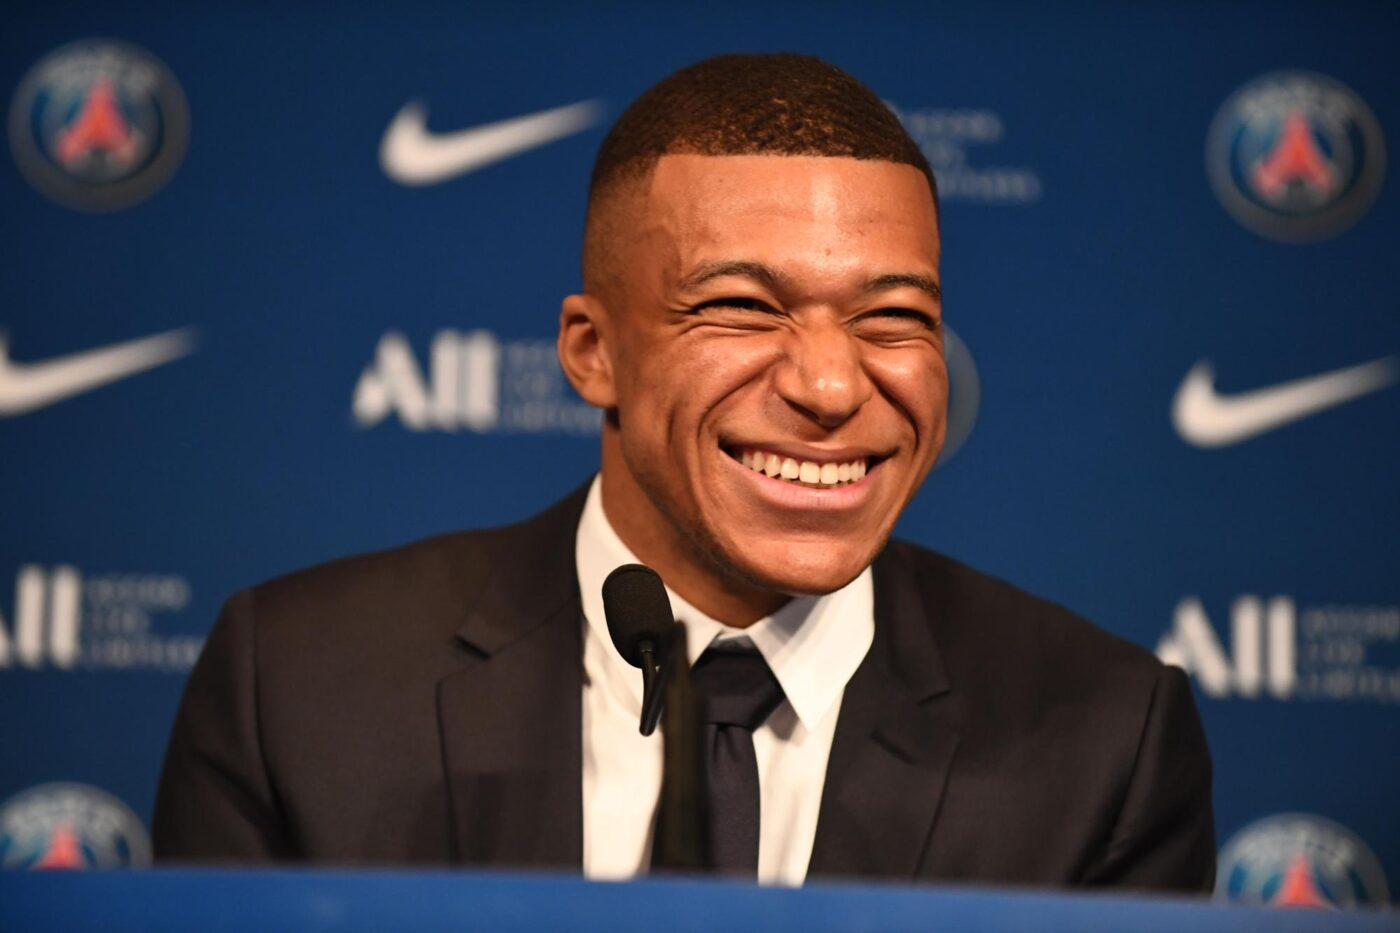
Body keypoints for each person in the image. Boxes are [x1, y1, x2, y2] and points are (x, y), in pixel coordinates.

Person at [153, 53, 1214, 891]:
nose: (830, 386)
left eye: (893, 317)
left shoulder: (1105, 740)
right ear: (592, 353)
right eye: (743, 308)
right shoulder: (298, 686)